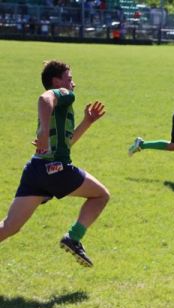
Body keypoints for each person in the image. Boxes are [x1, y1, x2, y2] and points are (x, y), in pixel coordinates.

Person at [0, 60, 110, 267]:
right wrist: (42, 131)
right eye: (69, 79)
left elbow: (66, 144)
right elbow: (44, 98)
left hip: (36, 169)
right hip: (56, 169)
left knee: (9, 227)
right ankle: (73, 238)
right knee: (101, 195)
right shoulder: (64, 95)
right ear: (56, 81)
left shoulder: (60, 107)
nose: (73, 84)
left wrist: (87, 122)